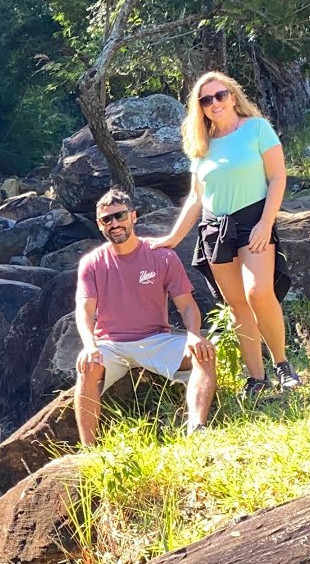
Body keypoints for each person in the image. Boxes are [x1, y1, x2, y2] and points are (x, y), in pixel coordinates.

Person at [144, 71, 301, 399]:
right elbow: (195, 198)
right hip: (216, 228)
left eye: (219, 95)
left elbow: (277, 178)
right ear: (199, 108)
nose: (214, 103)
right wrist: (172, 238)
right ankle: (257, 379)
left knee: (258, 293)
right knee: (237, 305)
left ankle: (283, 365)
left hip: (254, 221)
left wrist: (265, 222)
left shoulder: (257, 128)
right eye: (205, 100)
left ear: (232, 95)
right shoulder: (201, 145)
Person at [75, 189, 217, 446]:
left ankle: (197, 429)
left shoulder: (162, 256)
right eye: (107, 219)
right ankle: (88, 450)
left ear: (134, 216)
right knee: (86, 366)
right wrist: (89, 346)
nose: (114, 223)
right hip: (110, 345)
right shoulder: (92, 262)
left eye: (120, 216)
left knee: (204, 352)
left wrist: (195, 335)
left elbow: (186, 305)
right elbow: (84, 310)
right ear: (99, 224)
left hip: (156, 340)